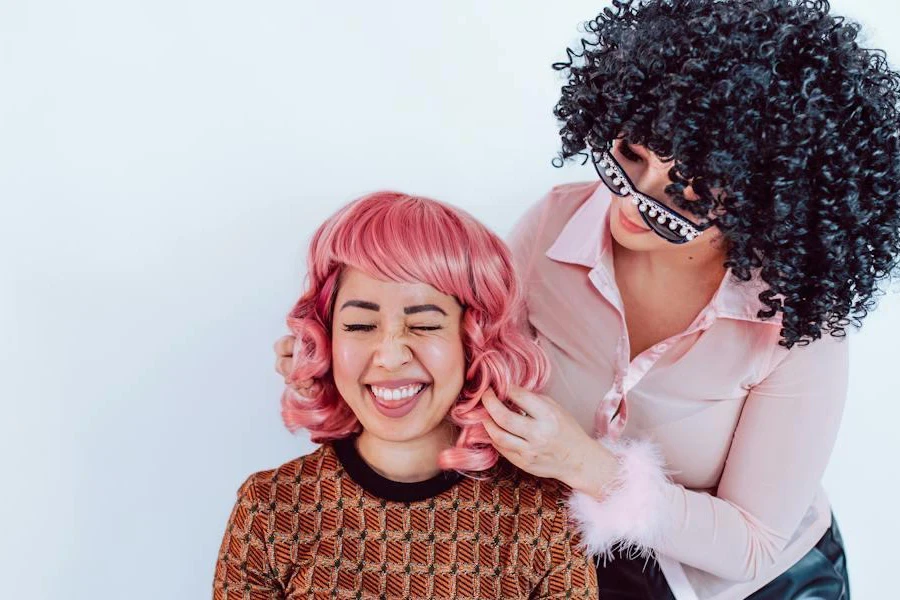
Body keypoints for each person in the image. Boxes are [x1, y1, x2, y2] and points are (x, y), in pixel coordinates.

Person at [274, 1, 900, 598]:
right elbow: (461, 363)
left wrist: (587, 466)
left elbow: (753, 544)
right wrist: (335, 359)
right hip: (578, 570)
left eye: (682, 196)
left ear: (769, 202)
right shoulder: (551, 230)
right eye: (629, 157)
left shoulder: (799, 328)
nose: (630, 201)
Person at [214, 192, 598, 599]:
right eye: (360, 326)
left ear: (475, 341)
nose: (391, 355)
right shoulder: (271, 508)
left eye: (426, 326)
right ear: (325, 340)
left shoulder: (545, 516)